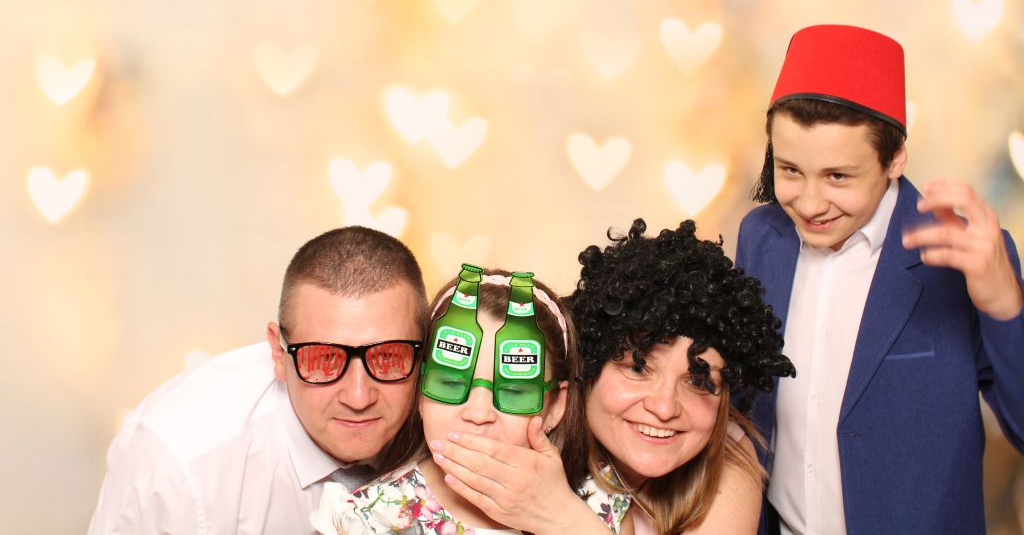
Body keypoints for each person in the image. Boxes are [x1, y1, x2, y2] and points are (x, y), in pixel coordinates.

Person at [736, 23, 1024, 534]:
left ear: (895, 158)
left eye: (838, 176)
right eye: (790, 170)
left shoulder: (964, 255)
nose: (809, 202)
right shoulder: (761, 238)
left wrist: (1005, 307)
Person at [424, 220, 795, 534]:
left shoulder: (727, 459)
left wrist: (561, 516)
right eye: (638, 368)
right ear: (589, 364)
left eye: (697, 380)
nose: (664, 408)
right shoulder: (514, 427)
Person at [87, 226, 429, 534]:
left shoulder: (451, 425)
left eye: (389, 356)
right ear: (279, 354)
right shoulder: (177, 465)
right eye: (324, 359)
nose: (358, 397)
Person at [311, 265, 584, 534]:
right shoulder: (365, 521)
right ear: (420, 392)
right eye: (451, 383)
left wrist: (566, 519)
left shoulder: (592, 507)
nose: (478, 414)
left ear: (555, 406)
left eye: (513, 391)